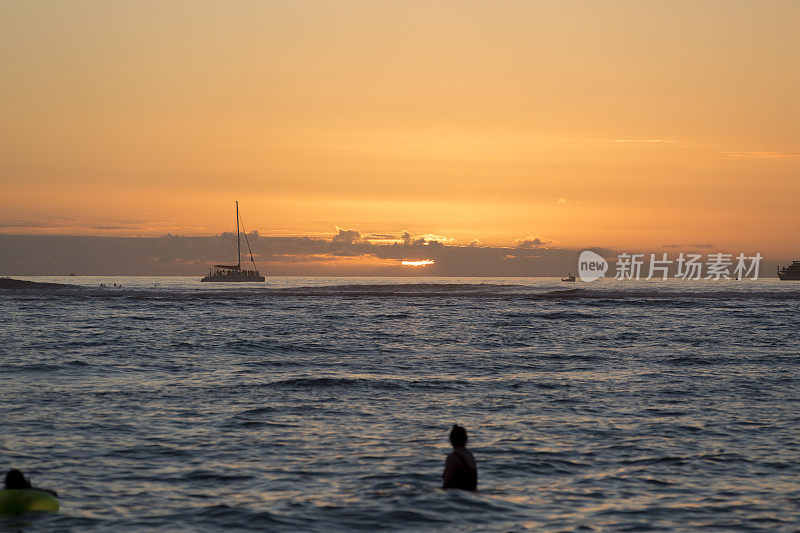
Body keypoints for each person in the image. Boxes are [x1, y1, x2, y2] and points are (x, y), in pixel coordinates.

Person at [442, 424, 477, 491]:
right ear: (466, 439)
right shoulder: (470, 455)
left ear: (450, 440)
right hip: (472, 495)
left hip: (456, 497)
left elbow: (446, 484)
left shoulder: (453, 458)